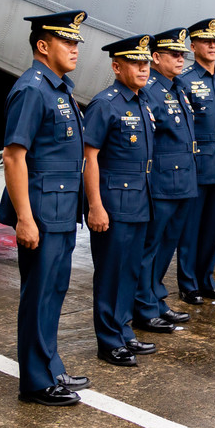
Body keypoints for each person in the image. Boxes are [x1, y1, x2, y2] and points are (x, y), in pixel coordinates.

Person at [0, 9, 90, 406]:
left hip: (61, 210)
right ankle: (35, 383)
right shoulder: (32, 89)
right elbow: (13, 157)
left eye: (75, 42)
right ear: (42, 45)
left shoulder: (59, 87)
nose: (74, 49)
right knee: (37, 295)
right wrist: (24, 219)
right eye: (66, 42)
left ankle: (51, 367)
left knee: (54, 290)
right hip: (40, 211)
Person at [84, 34, 157, 367]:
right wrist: (95, 205)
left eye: (146, 63)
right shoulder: (106, 103)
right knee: (111, 273)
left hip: (139, 201)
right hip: (114, 204)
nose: (144, 69)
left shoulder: (142, 100)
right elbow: (90, 158)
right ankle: (108, 341)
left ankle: (124, 331)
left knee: (129, 272)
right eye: (136, 63)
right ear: (116, 66)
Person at [133, 28, 197, 334]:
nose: (181, 58)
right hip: (161, 183)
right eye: (174, 54)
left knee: (167, 246)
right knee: (151, 248)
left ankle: (157, 299)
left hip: (183, 181)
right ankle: (143, 307)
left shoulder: (177, 88)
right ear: (156, 58)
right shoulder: (150, 91)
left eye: (183, 54)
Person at [177, 19, 215, 304]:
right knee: (191, 227)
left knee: (213, 228)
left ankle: (207, 280)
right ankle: (188, 284)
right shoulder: (185, 81)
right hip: (195, 163)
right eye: (206, 41)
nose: (213, 46)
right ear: (193, 47)